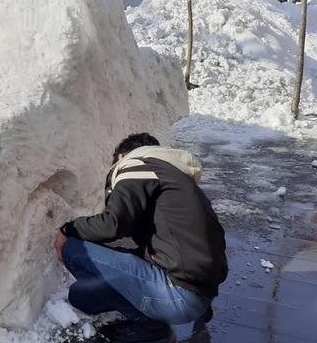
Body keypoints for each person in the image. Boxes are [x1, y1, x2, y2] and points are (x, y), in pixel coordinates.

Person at [54, 133, 228, 343]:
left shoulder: (138, 166)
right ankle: (140, 310)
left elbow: (112, 225)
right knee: (83, 293)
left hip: (178, 298)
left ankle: (149, 325)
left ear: (121, 157)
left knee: (74, 252)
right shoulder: (175, 179)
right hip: (200, 298)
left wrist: (67, 229)